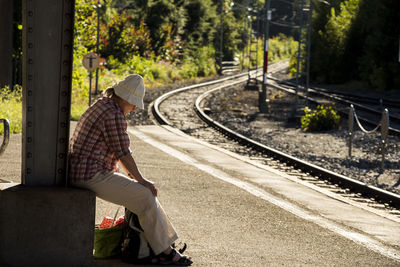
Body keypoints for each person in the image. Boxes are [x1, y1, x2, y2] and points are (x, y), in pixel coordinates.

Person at [68, 74, 192, 266]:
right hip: (90, 175)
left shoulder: (102, 105)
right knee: (145, 195)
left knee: (145, 195)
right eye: (134, 104)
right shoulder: (114, 114)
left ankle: (166, 246)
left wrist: (133, 178)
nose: (134, 108)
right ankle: (165, 252)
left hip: (83, 170)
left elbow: (113, 153)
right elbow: (123, 154)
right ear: (125, 99)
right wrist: (141, 180)